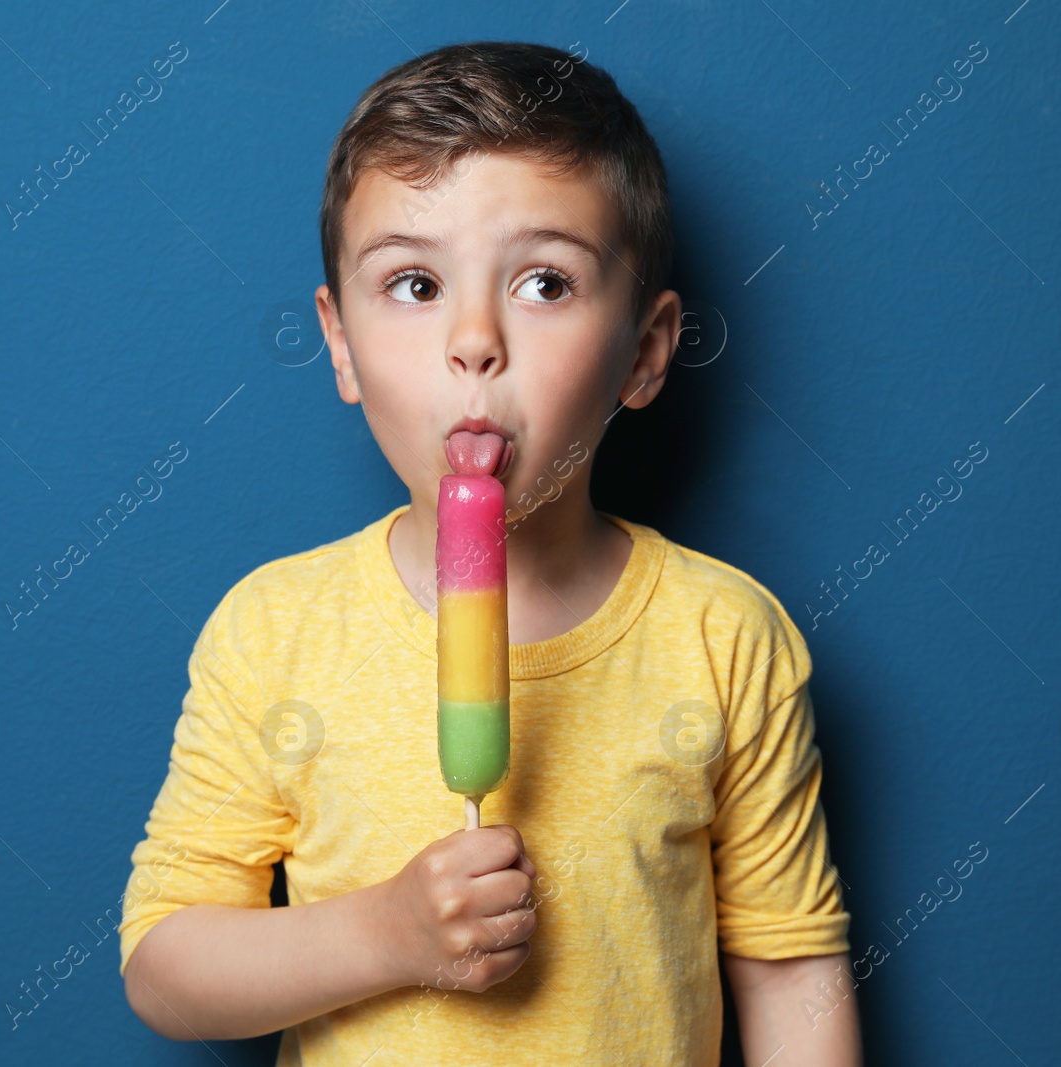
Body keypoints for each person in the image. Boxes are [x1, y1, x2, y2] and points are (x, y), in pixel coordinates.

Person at [118, 40, 861, 1066]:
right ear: (338, 343)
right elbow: (164, 965)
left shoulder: (724, 637)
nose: (474, 340)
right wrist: (385, 931)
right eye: (415, 283)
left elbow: (791, 972)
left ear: (644, 353)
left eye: (545, 282)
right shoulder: (274, 631)